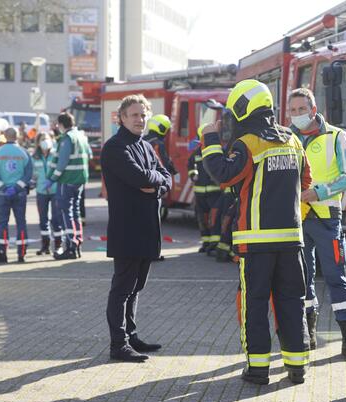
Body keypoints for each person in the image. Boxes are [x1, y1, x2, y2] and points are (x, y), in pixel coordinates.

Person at [202, 79, 312, 385]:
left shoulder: (247, 143)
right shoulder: (292, 140)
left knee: (255, 304)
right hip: (292, 241)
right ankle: (297, 366)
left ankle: (258, 369)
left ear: (242, 109)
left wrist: (210, 140)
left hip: (256, 242)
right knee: (292, 301)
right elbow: (306, 181)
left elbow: (225, 175)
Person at [287, 87, 346, 361]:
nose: (297, 115)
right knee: (302, 278)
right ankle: (307, 335)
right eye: (293, 110)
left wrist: (319, 192)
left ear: (313, 109)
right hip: (296, 218)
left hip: (326, 218)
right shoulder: (287, 139)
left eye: (302, 109)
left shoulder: (337, 137)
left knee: (336, 277)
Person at [101, 94, 172, 363]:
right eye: (134, 115)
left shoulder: (143, 145)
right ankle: (118, 345)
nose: (140, 120)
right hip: (127, 229)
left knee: (137, 287)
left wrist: (154, 184)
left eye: (143, 115)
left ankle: (131, 336)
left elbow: (165, 178)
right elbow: (140, 177)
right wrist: (155, 182)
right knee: (122, 289)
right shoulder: (115, 147)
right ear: (122, 117)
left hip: (147, 229)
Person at [47, 112, 90, 260]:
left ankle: (71, 246)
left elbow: (62, 162)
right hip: (80, 179)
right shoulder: (82, 136)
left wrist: (52, 178)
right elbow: (89, 155)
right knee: (76, 212)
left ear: (61, 124)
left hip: (67, 179)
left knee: (66, 213)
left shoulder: (67, 139)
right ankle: (77, 244)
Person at [0, 127, 33, 263]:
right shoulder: (24, 153)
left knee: (2, 223)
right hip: (19, 193)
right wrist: (17, 187)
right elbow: (29, 173)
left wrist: (3, 186)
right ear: (17, 136)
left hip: (2, 194)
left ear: (4, 136)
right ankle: (22, 254)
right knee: (21, 222)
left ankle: (2, 253)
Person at [187, 124, 221, 252]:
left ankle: (215, 243)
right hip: (200, 192)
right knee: (202, 218)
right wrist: (192, 175)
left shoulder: (217, 152)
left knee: (214, 218)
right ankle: (206, 242)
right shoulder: (196, 153)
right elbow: (190, 166)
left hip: (214, 192)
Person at [31, 132, 63, 256]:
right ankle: (45, 245)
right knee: (43, 219)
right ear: (38, 143)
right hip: (41, 191)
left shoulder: (56, 154)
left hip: (55, 190)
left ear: (52, 140)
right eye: (42, 139)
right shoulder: (35, 157)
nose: (45, 141)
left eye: (47, 139)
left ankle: (59, 245)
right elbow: (34, 174)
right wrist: (31, 184)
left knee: (56, 219)